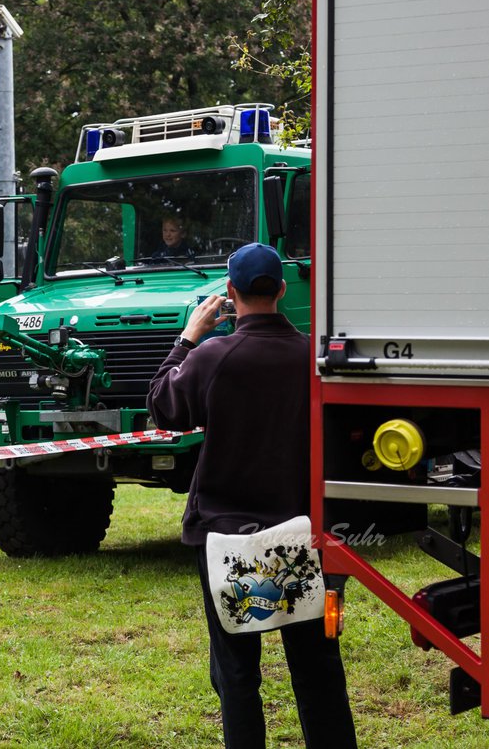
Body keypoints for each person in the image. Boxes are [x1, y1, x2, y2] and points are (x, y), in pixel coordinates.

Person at [147, 243, 356, 748]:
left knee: (237, 674)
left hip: (227, 538)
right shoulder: (316, 358)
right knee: (318, 666)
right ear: (283, 290)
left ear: (230, 292)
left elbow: (162, 407)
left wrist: (187, 338)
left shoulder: (214, 356)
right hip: (306, 535)